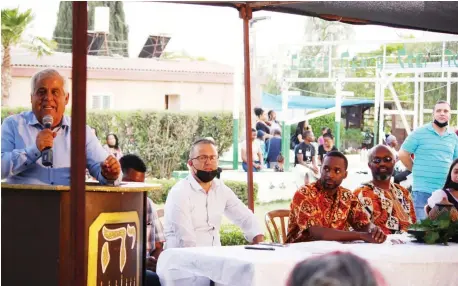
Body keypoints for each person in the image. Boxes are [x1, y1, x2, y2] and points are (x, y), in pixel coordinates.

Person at [1, 68, 121, 185]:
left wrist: (110, 174)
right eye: (41, 92)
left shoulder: (81, 132)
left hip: (67, 203)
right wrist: (34, 150)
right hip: (23, 203)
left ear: (66, 98)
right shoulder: (13, 125)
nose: (48, 98)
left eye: (55, 92)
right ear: (31, 98)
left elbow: (102, 167)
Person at [164, 138, 264, 248]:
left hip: (215, 257)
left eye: (213, 157)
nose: (208, 162)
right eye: (202, 158)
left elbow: (245, 218)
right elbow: (186, 241)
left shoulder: (220, 188)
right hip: (184, 260)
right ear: (190, 163)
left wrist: (258, 238)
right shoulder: (180, 193)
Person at [286, 151, 386, 244]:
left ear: (345, 174)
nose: (330, 175)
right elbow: (317, 233)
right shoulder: (305, 193)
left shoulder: (347, 196)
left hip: (332, 253)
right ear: (320, 169)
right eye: (326, 169)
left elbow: (362, 223)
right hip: (300, 252)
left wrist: (373, 230)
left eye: (337, 171)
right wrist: (361, 236)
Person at [399, 100, 458, 220]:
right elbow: (403, 154)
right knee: (424, 231)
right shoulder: (419, 133)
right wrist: (415, 169)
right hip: (422, 190)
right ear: (433, 114)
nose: (442, 113)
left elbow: (455, 162)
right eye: (439, 111)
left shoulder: (453, 137)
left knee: (445, 232)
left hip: (445, 193)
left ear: (450, 115)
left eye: (445, 111)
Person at [119, 154, 163, 286]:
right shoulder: (108, 204)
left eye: (140, 185)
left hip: (145, 270)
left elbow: (158, 245)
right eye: (130, 183)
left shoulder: (146, 203)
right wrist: (139, 263)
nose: (135, 190)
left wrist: (153, 261)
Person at [354, 145, 416, 234]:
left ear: (394, 162)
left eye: (387, 159)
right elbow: (359, 229)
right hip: (378, 246)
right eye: (377, 160)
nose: (382, 163)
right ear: (369, 165)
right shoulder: (361, 194)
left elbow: (414, 225)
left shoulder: (403, 192)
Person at [286, 251, 387, 286]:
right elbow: (316, 231)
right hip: (305, 247)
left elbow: (360, 222)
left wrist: (371, 229)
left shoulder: (348, 202)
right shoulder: (306, 201)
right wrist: (360, 234)